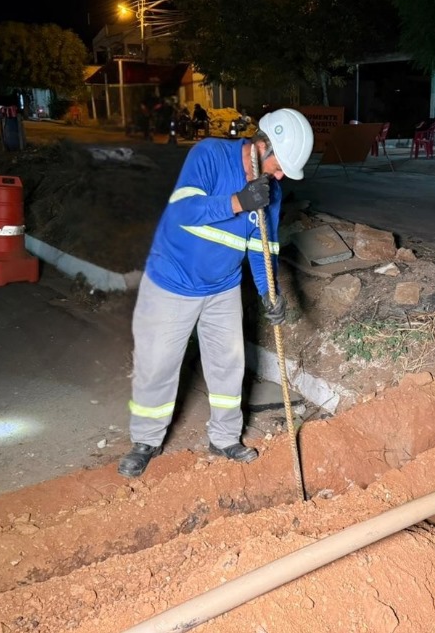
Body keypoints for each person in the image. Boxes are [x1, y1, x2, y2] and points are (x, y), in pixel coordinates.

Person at [117, 108, 315, 479]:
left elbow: (262, 248)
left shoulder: (270, 190)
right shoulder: (209, 155)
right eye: (279, 164)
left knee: (228, 367)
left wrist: (268, 293)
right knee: (157, 366)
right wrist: (238, 202)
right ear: (260, 146)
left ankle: (224, 438)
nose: (281, 174)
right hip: (171, 283)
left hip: (222, 288)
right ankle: (145, 440)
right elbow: (182, 212)